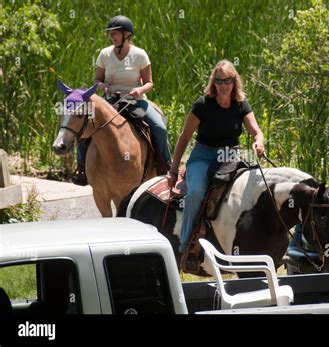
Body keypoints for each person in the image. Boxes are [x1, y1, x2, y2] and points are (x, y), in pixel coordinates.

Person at [166, 59, 265, 262]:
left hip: (231, 155)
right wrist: (174, 170)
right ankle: (185, 246)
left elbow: (257, 132)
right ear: (214, 82)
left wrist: (259, 142)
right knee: (195, 193)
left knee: (253, 188)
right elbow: (184, 138)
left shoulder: (240, 104)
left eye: (228, 81)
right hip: (203, 155)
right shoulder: (203, 105)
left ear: (234, 82)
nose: (223, 85)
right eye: (219, 81)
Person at [73, 15, 171, 185]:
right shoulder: (104, 54)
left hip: (136, 101)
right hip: (110, 101)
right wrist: (101, 86)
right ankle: (81, 167)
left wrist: (139, 90)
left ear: (127, 35)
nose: (112, 36)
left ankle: (165, 164)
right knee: (85, 128)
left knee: (159, 127)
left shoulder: (140, 55)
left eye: (115, 33)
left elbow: (149, 83)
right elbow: (97, 79)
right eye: (110, 33)